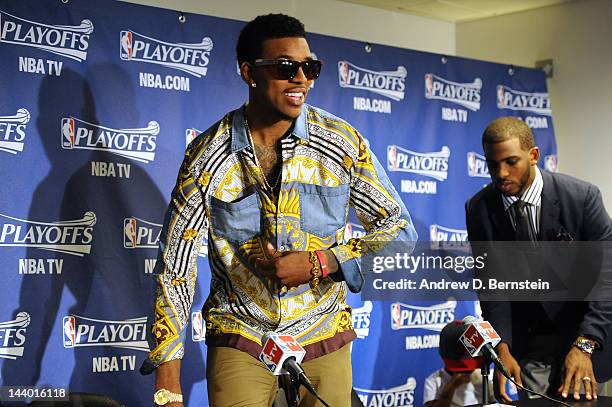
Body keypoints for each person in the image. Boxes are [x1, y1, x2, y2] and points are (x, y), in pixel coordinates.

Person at [140, 13, 417, 407]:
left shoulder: (341, 144)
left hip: (323, 332)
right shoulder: (207, 156)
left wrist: (324, 262)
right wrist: (168, 378)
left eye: (310, 67)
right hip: (242, 333)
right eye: (286, 68)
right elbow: (176, 267)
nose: (301, 78)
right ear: (249, 73)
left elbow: (399, 230)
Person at [465, 116, 612, 402]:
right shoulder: (479, 208)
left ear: (533, 156)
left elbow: (606, 279)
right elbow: (492, 284)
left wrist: (585, 345)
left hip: (584, 331)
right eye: (492, 164)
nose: (501, 173)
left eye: (511, 161)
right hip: (529, 341)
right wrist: (502, 346)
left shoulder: (582, 198)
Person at [423, 321, 496, 407]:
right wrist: (450, 387)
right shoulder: (434, 380)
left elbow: (492, 403)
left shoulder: (481, 375)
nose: (467, 371)